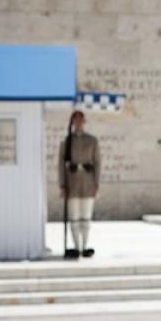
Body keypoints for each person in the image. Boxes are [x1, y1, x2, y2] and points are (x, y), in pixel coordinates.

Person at [58, 110, 101, 258]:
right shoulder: (66, 142)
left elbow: (97, 163)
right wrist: (62, 184)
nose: (78, 123)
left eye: (80, 120)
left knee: (86, 216)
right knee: (74, 216)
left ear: (84, 122)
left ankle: (84, 246)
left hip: (88, 182)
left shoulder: (92, 141)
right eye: (75, 121)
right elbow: (61, 165)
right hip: (72, 183)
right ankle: (77, 246)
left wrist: (96, 182)